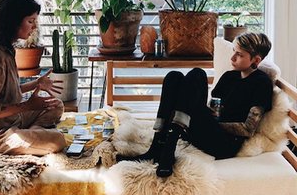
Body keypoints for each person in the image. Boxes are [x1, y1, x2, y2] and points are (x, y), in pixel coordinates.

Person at [117, 32, 273, 177]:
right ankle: (157, 146)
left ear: (256, 60)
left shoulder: (261, 84)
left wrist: (214, 123)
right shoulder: (229, 77)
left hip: (225, 143)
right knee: (174, 77)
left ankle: (168, 150)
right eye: (233, 51)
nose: (232, 58)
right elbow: (213, 109)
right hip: (207, 130)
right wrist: (207, 116)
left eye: (239, 55)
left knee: (197, 73)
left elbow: (248, 129)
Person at [0, 0, 67, 156]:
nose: (34, 27)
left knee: (56, 105)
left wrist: (36, 84)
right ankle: (29, 137)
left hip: (11, 120)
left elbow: (4, 93)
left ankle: (29, 136)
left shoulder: (4, 48)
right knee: (57, 140)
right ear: (13, 21)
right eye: (30, 21)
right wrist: (28, 106)